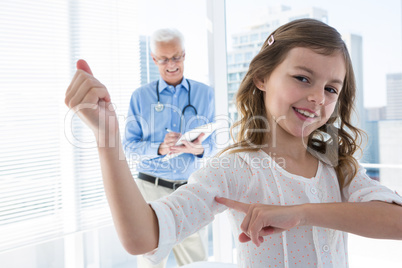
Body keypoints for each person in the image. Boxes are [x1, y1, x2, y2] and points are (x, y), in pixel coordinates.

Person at [65, 19, 402, 268]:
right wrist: (106, 138)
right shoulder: (235, 169)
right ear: (262, 78)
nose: (317, 97)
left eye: (331, 88)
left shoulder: (337, 166)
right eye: (302, 78)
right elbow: (142, 237)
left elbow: (396, 222)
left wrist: (298, 214)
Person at [122, 28, 216, 267]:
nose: (171, 64)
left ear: (184, 55)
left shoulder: (205, 94)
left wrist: (198, 149)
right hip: (149, 190)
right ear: (154, 59)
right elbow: (129, 147)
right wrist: (160, 148)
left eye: (176, 57)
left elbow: (214, 143)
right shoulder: (140, 97)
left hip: (190, 190)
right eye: (163, 59)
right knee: (151, 260)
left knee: (196, 262)